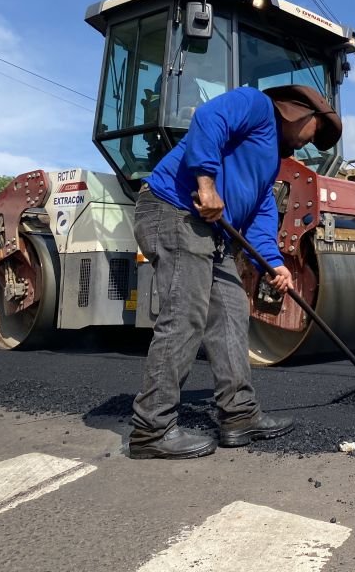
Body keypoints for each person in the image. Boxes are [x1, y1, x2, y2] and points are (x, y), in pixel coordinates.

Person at [127, 83, 342, 460]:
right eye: (316, 131)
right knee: (185, 315)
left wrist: (273, 263)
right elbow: (208, 119)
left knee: (232, 313)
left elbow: (260, 211)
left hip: (212, 232)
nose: (312, 141)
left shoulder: (269, 160)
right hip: (175, 210)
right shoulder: (255, 104)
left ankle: (239, 415)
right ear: (300, 112)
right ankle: (151, 428)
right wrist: (206, 183)